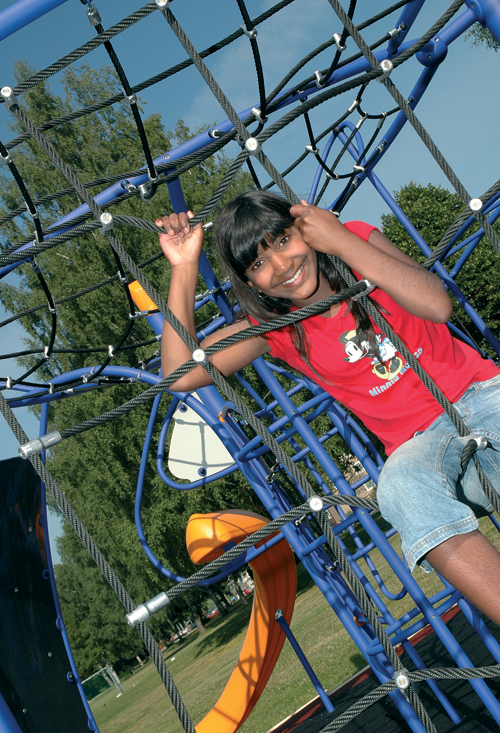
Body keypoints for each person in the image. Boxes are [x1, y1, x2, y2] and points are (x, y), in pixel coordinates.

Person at [157, 190, 500, 625]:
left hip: (480, 395)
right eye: (258, 264)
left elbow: (437, 304)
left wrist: (339, 239)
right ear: (251, 283)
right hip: (423, 447)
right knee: (398, 487)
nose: (281, 266)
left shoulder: (354, 241)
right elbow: (180, 374)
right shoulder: (275, 328)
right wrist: (184, 266)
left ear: (305, 229)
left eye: (284, 241)